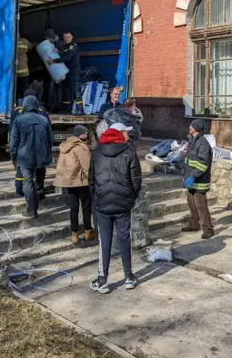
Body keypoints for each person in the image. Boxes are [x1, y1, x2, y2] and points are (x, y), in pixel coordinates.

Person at [89, 123, 142, 294]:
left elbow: (91, 180)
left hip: (103, 204)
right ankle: (128, 277)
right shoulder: (129, 153)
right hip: (122, 204)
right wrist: (130, 198)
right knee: (124, 239)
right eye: (126, 132)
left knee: (104, 241)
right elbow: (136, 181)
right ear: (119, 133)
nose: (128, 135)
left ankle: (102, 280)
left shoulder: (96, 153)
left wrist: (96, 198)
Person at [10, 95, 53, 219]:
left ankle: (31, 210)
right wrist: (47, 152)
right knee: (40, 176)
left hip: (24, 156)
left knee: (27, 182)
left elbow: (14, 142)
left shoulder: (19, 120)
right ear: (36, 105)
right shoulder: (44, 120)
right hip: (41, 155)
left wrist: (14, 157)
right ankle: (39, 195)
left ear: (25, 106)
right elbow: (50, 140)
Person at [55, 125, 95, 245]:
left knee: (73, 209)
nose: (87, 135)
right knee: (86, 207)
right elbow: (87, 167)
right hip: (81, 182)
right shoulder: (81, 147)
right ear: (81, 135)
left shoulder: (64, 146)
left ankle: (74, 235)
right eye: (85, 133)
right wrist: (92, 181)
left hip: (69, 182)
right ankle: (88, 232)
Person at [182, 119, 214, 239]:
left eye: (191, 126)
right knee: (192, 205)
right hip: (190, 180)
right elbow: (189, 161)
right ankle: (194, 224)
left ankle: (208, 229)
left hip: (199, 181)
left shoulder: (203, 143)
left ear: (196, 128)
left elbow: (202, 163)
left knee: (201, 206)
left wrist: (193, 176)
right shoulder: (192, 140)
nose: (189, 127)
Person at [47, 31, 82, 114]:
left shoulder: (73, 46)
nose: (67, 39)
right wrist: (58, 51)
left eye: (68, 37)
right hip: (66, 72)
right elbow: (63, 53)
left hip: (74, 72)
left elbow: (67, 58)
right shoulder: (65, 47)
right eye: (65, 37)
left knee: (75, 90)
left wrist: (54, 61)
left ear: (72, 37)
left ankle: (79, 108)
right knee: (66, 90)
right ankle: (67, 108)